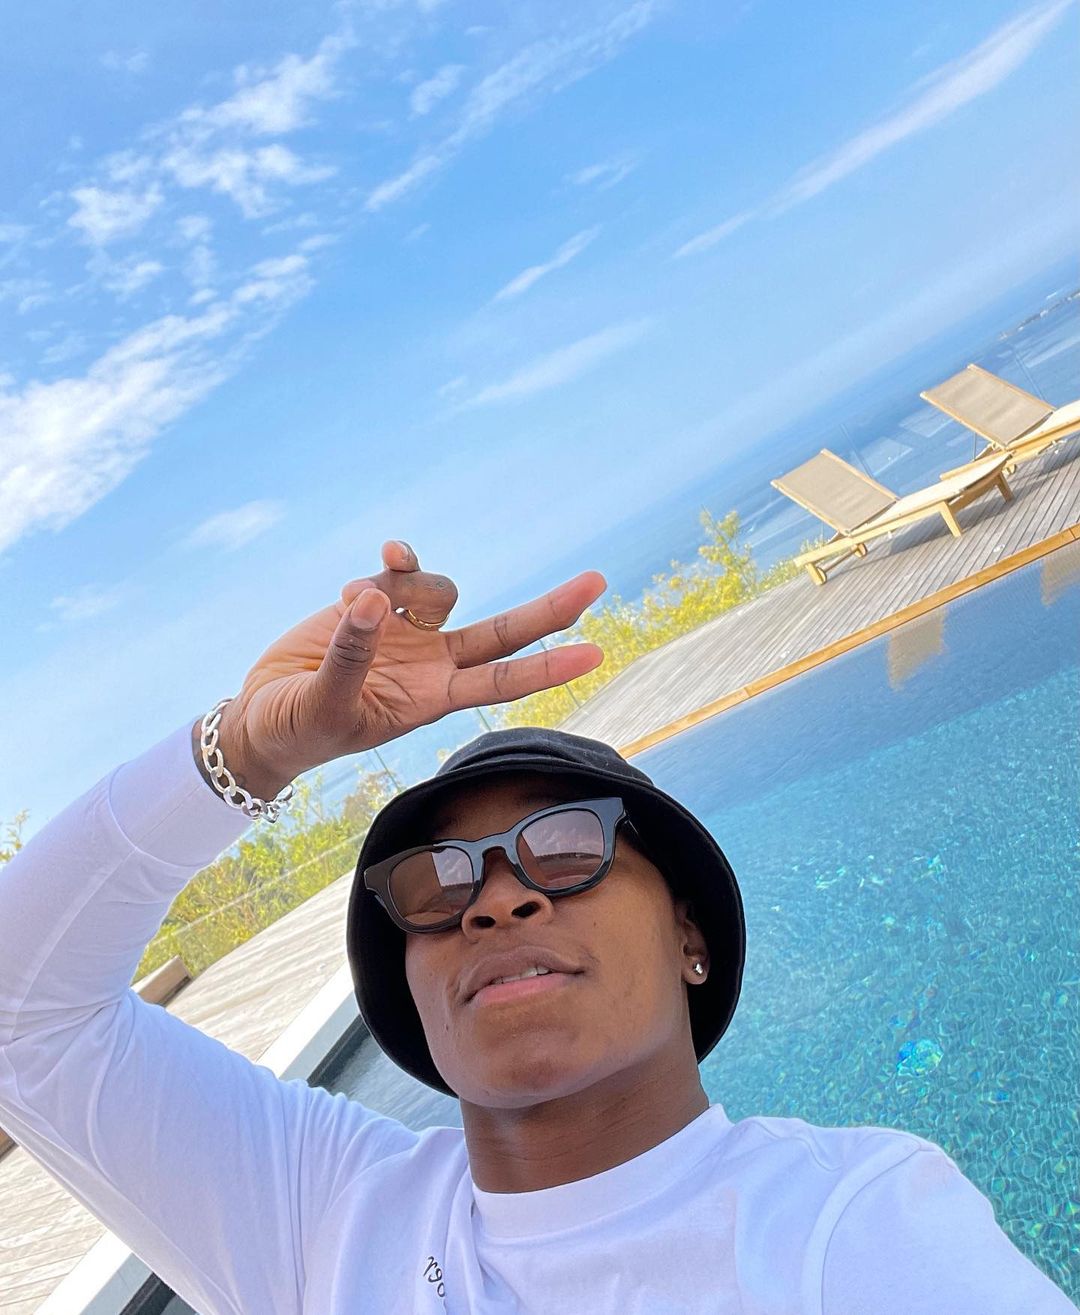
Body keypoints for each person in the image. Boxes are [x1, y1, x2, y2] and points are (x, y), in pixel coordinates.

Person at [0, 541, 1073, 1315]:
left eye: (567, 849)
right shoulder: (325, 1215)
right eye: (436, 882)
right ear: (410, 985)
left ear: (689, 937)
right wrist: (248, 748)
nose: (496, 899)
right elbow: (22, 1012)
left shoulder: (852, 1224)